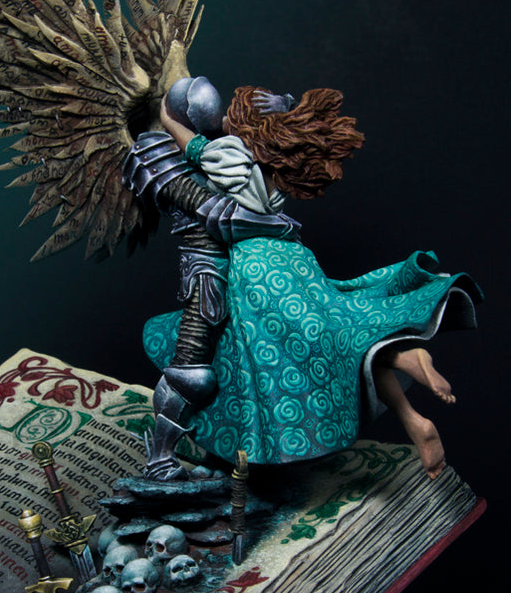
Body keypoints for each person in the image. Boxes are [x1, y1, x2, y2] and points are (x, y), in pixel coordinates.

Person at [125, 79, 481, 480]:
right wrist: (283, 105)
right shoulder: (268, 158)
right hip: (293, 258)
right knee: (339, 335)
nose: (220, 122)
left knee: (271, 354)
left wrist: (169, 121)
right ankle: (405, 377)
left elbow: (211, 189)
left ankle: (401, 364)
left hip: (255, 267)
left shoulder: (228, 155)